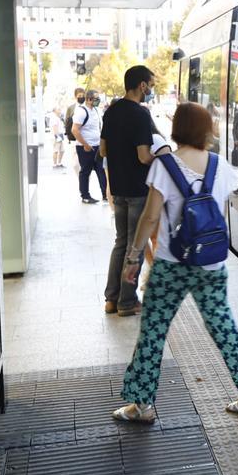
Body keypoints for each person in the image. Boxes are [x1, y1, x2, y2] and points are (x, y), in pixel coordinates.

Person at [112, 102, 238, 422]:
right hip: (211, 263)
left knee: (154, 330)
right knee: (223, 325)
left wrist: (134, 257)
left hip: (172, 264)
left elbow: (151, 217)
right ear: (207, 130)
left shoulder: (164, 165)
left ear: (177, 129)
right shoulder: (221, 166)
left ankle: (141, 405)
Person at [100, 66, 168, 317]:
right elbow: (143, 156)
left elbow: (103, 151)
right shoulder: (140, 115)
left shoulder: (111, 111)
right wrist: (160, 159)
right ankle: (127, 301)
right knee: (134, 245)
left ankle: (111, 298)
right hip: (138, 189)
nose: (150, 89)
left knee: (120, 242)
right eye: (150, 84)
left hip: (118, 187)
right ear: (141, 85)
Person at [73, 89, 107, 204]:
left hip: (97, 146)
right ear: (88, 99)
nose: (98, 101)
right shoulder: (81, 111)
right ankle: (85, 196)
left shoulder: (96, 110)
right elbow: (75, 130)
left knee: (101, 170)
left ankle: (105, 194)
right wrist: (85, 145)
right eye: (96, 99)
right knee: (85, 171)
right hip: (85, 147)